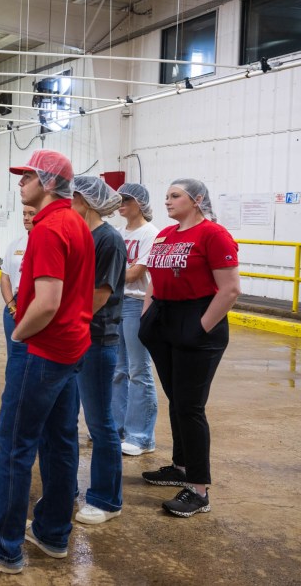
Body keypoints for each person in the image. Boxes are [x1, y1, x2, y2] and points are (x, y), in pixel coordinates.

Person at [0, 149, 94, 575]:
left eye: (26, 176)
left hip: (43, 350)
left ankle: (3, 545)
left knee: (13, 446)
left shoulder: (50, 228)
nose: (19, 182)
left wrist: (18, 334)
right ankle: (52, 532)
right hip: (70, 349)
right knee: (60, 442)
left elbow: (47, 302)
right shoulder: (77, 224)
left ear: (48, 183)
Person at [138, 179, 240, 517]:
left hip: (197, 319)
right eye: (166, 196)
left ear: (197, 199)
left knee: (190, 407)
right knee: (177, 401)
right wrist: (147, 317)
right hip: (164, 318)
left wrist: (200, 329)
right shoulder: (167, 234)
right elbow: (153, 278)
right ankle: (180, 467)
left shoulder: (213, 234)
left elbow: (229, 289)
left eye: (175, 195)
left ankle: (198, 489)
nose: (167, 201)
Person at [70, 176, 126, 525]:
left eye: (71, 198)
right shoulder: (83, 236)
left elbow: (99, 294)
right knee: (71, 418)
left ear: (84, 202)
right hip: (77, 336)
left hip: (96, 338)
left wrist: (64, 319)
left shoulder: (108, 240)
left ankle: (107, 499)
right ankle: (73, 488)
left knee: (99, 421)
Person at [113, 183, 160, 456]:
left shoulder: (150, 234)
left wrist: (104, 274)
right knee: (118, 370)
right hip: (117, 303)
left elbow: (134, 274)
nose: (121, 204)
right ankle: (118, 429)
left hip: (135, 303)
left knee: (138, 370)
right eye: (119, 199)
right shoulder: (119, 233)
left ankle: (142, 437)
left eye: (126, 199)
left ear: (140, 203)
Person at [0, 205, 36, 363]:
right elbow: (5, 277)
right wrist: (11, 305)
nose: (26, 218)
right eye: (24, 214)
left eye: (31, 214)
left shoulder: (47, 242)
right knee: (14, 355)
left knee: (33, 356)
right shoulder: (16, 244)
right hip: (15, 304)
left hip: (36, 304)